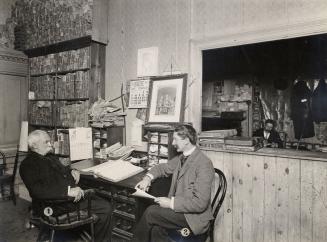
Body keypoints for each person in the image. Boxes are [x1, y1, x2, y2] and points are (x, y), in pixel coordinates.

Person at [19, 130, 111, 242]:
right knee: (106, 208)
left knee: (101, 199)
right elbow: (37, 191)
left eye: (49, 141)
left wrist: (72, 170)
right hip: (54, 206)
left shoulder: (49, 157)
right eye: (46, 142)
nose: (50, 144)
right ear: (34, 146)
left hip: (63, 200)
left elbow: (60, 171)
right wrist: (66, 192)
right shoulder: (27, 164)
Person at [132, 124, 215, 242]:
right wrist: (147, 178)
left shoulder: (204, 164)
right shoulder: (182, 158)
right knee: (155, 229)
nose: (172, 143)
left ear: (186, 140)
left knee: (151, 212)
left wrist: (171, 203)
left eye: (175, 139)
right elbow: (162, 168)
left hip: (193, 217)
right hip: (180, 211)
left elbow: (200, 203)